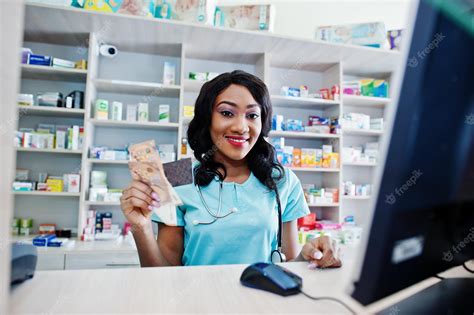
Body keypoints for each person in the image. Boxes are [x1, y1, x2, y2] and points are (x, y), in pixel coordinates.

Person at [120, 70, 342, 268]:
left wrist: (313, 254)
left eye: (252, 115)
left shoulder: (282, 180)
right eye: (227, 113)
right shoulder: (176, 176)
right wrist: (141, 227)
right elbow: (163, 273)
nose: (240, 127)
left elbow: (290, 262)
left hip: (262, 302)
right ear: (207, 119)